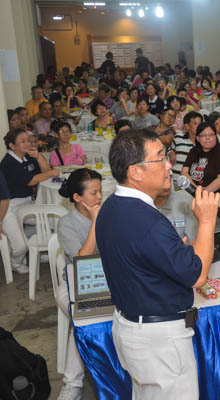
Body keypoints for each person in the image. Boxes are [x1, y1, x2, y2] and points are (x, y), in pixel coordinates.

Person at [96, 128, 218, 399]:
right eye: (160, 158)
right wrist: (207, 220)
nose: (169, 165)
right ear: (135, 171)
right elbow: (197, 276)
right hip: (159, 340)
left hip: (130, 328)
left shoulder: (111, 207)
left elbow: (141, 259)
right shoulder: (148, 222)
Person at [56, 168, 102, 400]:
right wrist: (95, 223)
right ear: (77, 197)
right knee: (83, 317)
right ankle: (72, 384)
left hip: (105, 282)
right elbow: (82, 263)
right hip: (75, 284)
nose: (99, 197)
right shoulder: (67, 224)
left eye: (101, 192)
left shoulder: (107, 214)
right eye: (93, 193)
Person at [0, 129, 60, 272]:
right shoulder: (9, 162)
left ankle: (42, 249)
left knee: (52, 218)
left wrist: (39, 156)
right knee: (19, 246)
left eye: (28, 140)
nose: (28, 143)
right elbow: (32, 181)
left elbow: (46, 171)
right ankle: (15, 263)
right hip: (8, 207)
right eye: (23, 141)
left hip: (27, 203)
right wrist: (52, 172)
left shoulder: (27, 157)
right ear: (12, 146)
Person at [181, 122, 220, 192]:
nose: (208, 138)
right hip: (192, 191)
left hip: (211, 195)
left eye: (211, 135)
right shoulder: (193, 151)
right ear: (198, 138)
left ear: (215, 136)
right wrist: (195, 189)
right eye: (203, 135)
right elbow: (184, 172)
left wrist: (204, 192)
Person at [171, 111, 201, 181]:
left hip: (194, 182)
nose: (199, 126)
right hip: (176, 180)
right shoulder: (178, 137)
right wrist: (171, 152)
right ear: (187, 126)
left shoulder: (204, 142)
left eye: (200, 124)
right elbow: (171, 149)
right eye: (195, 123)